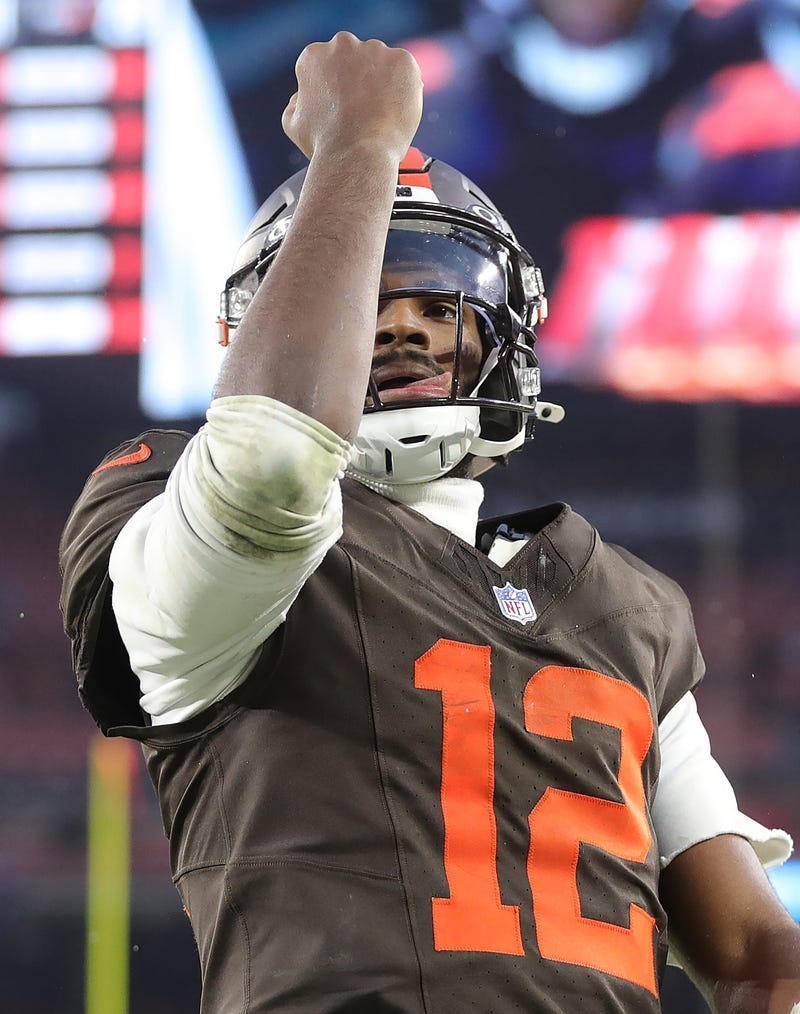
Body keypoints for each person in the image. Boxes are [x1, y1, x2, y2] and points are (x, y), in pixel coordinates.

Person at [60, 31, 800, 1014]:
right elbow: (272, 466)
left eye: (436, 301)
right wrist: (359, 140)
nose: (402, 325)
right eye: (365, 299)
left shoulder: (617, 604)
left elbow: (757, 955)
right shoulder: (163, 495)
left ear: (503, 336)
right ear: (270, 330)